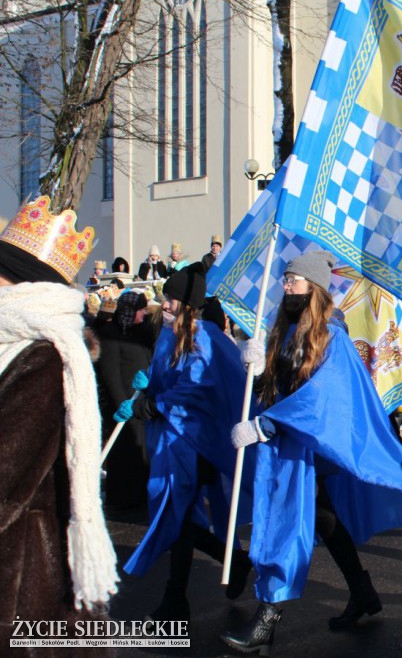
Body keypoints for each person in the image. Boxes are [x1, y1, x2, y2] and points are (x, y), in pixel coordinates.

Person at [222, 250, 402, 654]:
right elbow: (278, 386)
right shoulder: (283, 330)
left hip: (309, 447)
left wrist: (264, 426)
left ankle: (267, 618)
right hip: (288, 449)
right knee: (324, 520)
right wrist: (252, 362)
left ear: (315, 287)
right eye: (285, 279)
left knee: (287, 524)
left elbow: (321, 399)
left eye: (294, 280)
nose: (286, 285)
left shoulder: (332, 336)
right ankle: (363, 592)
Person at [0, 196, 120, 652]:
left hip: (26, 573)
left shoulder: (46, 356)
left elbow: (8, 475)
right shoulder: (14, 341)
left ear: (17, 283)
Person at [117, 262, 254, 621]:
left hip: (197, 443)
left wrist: (153, 404)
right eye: (164, 297)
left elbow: (196, 390)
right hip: (173, 440)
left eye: (172, 299)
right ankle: (229, 563)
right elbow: (170, 381)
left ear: (187, 305)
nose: (164, 304)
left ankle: (177, 599)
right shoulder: (169, 334)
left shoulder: (203, 336)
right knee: (177, 518)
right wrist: (148, 387)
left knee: (176, 517)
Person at [95, 289, 157, 509]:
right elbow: (110, 372)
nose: (144, 314)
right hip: (124, 404)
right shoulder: (111, 334)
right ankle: (122, 500)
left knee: (142, 450)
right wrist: (122, 401)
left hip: (142, 401)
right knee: (124, 452)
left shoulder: (143, 331)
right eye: (140, 310)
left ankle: (140, 496)